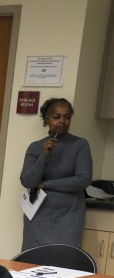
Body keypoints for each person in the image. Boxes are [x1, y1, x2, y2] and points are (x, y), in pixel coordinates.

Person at [20, 97, 93, 251]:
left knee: (65, 261)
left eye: (67, 117)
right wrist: (44, 155)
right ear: (47, 119)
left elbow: (83, 180)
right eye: (57, 117)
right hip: (38, 216)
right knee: (33, 262)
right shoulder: (35, 147)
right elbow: (27, 181)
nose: (62, 121)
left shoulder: (80, 145)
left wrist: (46, 184)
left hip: (69, 216)